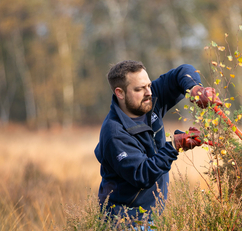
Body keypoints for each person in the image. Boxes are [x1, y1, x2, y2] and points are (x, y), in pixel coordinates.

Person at [94, 60, 222, 222]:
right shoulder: (114, 132)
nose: (148, 92)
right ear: (120, 93)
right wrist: (174, 146)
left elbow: (182, 71)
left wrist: (195, 89)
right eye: (139, 89)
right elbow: (142, 175)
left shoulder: (148, 98)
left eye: (148, 85)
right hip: (124, 223)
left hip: (151, 216)